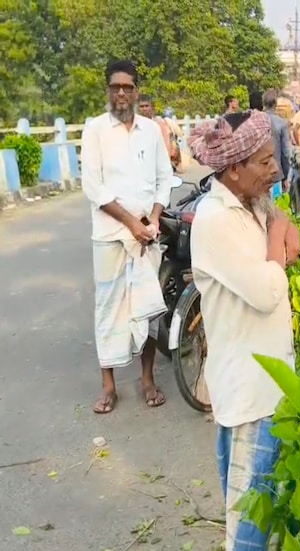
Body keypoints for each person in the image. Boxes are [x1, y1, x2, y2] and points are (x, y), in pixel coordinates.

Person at [188, 110, 300, 551]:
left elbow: (284, 229)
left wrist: (282, 227)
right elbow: (268, 291)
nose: (276, 170)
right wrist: (278, 234)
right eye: (265, 162)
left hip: (267, 387)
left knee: (261, 517)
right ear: (233, 168)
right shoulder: (216, 220)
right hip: (251, 395)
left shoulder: (250, 203)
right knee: (250, 531)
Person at [81, 59, 174, 414]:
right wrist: (130, 222)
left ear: (136, 91)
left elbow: (163, 179)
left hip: (146, 236)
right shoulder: (95, 130)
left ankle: (147, 379)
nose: (121, 93)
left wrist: (153, 218)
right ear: (108, 90)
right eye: (115, 87)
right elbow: (94, 186)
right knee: (108, 309)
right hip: (110, 235)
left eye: (128, 87)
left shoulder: (150, 131)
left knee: (146, 309)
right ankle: (109, 386)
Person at [137, 94, 181, 169]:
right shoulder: (134, 124)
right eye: (141, 106)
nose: (144, 109)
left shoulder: (159, 123)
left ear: (152, 107)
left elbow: (166, 145)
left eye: (147, 106)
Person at [263, 89, 292, 198]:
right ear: (275, 104)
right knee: (276, 205)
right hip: (276, 175)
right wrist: (285, 176)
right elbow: (286, 153)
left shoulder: (255, 121)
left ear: (264, 103)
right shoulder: (281, 123)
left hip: (257, 177)